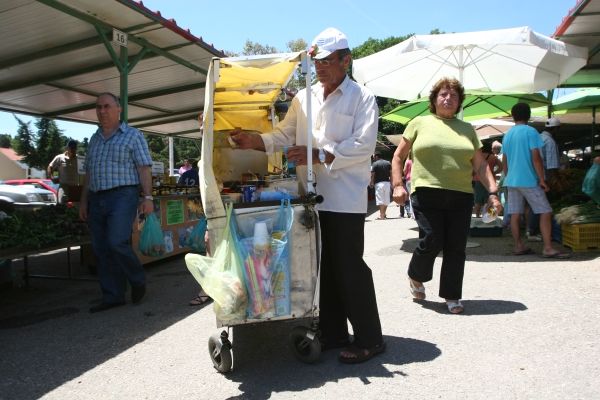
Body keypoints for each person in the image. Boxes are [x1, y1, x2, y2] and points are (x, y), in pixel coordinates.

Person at [230, 27, 384, 363]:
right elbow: (286, 134)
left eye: (329, 61)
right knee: (322, 267)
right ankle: (333, 332)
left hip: (344, 197)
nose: (322, 67)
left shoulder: (362, 98)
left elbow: (363, 146)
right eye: (317, 61)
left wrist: (320, 154)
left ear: (346, 60)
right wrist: (256, 141)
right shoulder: (304, 97)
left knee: (348, 266)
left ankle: (371, 338)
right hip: (310, 195)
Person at [391, 77, 502, 315]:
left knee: (456, 247)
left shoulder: (467, 129)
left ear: (460, 102)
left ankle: (452, 295)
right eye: (443, 94)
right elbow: (399, 156)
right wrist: (398, 185)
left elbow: (481, 165)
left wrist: (493, 192)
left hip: (461, 194)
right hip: (426, 191)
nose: (448, 98)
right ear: (434, 99)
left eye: (453, 96)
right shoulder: (419, 123)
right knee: (432, 238)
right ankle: (416, 275)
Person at [79, 92, 154, 313]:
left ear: (118, 109)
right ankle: (113, 295)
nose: (102, 111)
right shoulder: (94, 139)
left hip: (123, 195)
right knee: (101, 248)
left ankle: (137, 279)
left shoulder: (132, 135)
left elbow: (144, 167)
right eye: (98, 107)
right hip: (97, 197)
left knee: (116, 242)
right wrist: (83, 202)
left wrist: (148, 197)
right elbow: (89, 175)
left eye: (107, 106)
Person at [501, 103, 570, 259]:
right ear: (529, 115)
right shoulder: (531, 132)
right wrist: (541, 179)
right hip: (529, 180)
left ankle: (518, 246)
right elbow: (536, 158)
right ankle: (547, 248)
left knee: (515, 214)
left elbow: (505, 161)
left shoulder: (507, 134)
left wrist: (509, 176)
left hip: (511, 181)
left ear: (513, 116)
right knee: (545, 211)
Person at [526, 117, 562, 240]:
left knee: (532, 205)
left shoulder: (538, 137)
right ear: (556, 129)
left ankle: (530, 230)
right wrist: (555, 181)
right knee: (543, 208)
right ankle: (535, 232)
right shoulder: (550, 142)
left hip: (531, 176)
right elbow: (552, 165)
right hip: (543, 177)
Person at [472, 142, 503, 217]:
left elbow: (473, 168)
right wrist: (494, 172)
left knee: (478, 199)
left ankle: (477, 215)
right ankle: (489, 216)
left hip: (478, 179)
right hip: (490, 180)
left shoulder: (478, 156)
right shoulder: (493, 157)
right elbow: (501, 166)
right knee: (489, 199)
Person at [47, 140, 80, 204]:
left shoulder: (79, 158)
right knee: (61, 205)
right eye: (71, 148)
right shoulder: (59, 158)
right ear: (67, 148)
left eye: (74, 148)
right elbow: (50, 167)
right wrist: (51, 177)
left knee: (75, 208)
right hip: (63, 186)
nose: (73, 150)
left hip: (75, 187)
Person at [370, 152, 392, 220]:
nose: (373, 159)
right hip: (387, 183)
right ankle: (383, 214)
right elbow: (391, 173)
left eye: (374, 157)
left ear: (377, 157)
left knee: (380, 200)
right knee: (386, 199)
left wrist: (372, 182)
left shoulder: (375, 164)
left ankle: (382, 216)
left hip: (379, 184)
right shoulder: (388, 163)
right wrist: (391, 182)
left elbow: (373, 174)